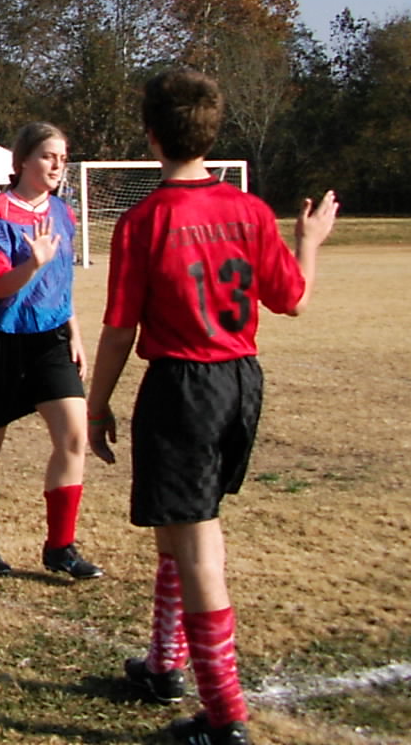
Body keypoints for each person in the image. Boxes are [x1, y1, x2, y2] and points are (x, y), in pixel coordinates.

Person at [87, 68, 337, 745]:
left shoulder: (144, 221)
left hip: (184, 386)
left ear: (149, 135)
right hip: (240, 382)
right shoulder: (251, 212)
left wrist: (96, 403)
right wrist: (308, 243)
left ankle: (225, 720)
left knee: (197, 544)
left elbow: (119, 331)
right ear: (212, 131)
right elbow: (294, 299)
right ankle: (163, 666)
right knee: (179, 527)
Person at [0, 122, 102, 579]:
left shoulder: (63, 213)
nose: (58, 164)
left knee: (73, 436)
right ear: (21, 162)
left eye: (62, 156)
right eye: (47, 156)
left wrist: (73, 329)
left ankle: (61, 547)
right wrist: (30, 263)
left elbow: (61, 281)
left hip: (49, 341)